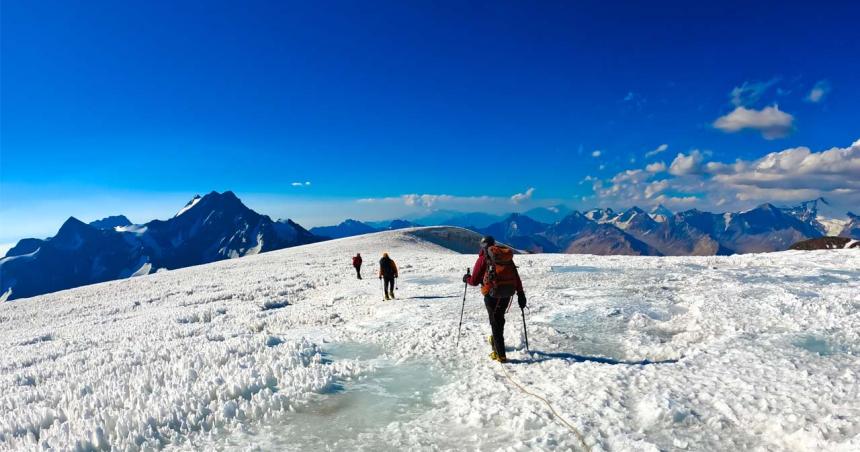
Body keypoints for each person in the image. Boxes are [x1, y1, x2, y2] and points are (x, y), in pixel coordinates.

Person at [463, 236, 526, 363]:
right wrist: (520, 294)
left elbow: (474, 281)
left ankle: (500, 355)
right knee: (499, 318)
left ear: (483, 246)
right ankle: (496, 342)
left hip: (492, 294)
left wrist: (466, 279)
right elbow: (515, 276)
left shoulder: (483, 258)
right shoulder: (506, 258)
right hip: (507, 293)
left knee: (495, 322)